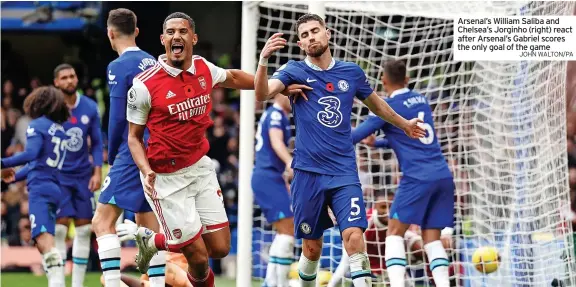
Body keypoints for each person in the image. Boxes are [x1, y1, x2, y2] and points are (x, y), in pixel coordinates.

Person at [254, 13, 426, 287]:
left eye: (315, 31)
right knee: (311, 248)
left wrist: (404, 124)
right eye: (305, 35)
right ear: (300, 43)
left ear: (327, 33)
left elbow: (376, 104)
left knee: (354, 237)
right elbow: (262, 93)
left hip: (344, 172)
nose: (311, 37)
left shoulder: (351, 72)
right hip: (307, 173)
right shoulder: (293, 70)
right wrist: (263, 60)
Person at [123, 12, 281, 286]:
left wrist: (275, 87)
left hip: (199, 168)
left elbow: (231, 76)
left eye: (183, 31)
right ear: (162, 40)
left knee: (219, 248)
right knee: (197, 257)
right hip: (165, 179)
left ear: (193, 38)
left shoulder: (204, 68)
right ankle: (170, 245)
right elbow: (134, 139)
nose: (176, 36)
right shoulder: (144, 86)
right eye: (170, 32)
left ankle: (155, 240)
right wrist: (146, 170)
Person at [350, 60, 455, 287]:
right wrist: (377, 144)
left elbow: (353, 137)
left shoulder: (386, 107)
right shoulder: (422, 100)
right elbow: (411, 136)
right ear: (407, 79)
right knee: (432, 239)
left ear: (383, 80)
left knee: (394, 233)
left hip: (418, 178)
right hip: (443, 176)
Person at [91, 8, 166, 287]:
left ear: (110, 33)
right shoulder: (153, 63)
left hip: (132, 150)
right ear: (136, 31)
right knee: (148, 228)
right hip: (157, 150)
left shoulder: (118, 66)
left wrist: (112, 154)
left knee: (102, 222)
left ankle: (112, 284)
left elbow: (118, 116)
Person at [1, 86, 71, 287]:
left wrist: (3, 162)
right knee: (44, 241)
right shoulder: (60, 130)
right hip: (54, 188)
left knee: (43, 241)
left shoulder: (36, 125)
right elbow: (36, 164)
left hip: (40, 190)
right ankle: (55, 282)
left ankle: (57, 282)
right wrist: (13, 178)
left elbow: (30, 155)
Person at [327, 193, 454, 286]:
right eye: (383, 207)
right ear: (375, 207)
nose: (388, 211)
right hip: (367, 267)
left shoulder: (400, 218)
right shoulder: (362, 223)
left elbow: (413, 235)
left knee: (424, 248)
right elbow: (345, 263)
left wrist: (442, 239)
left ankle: (439, 282)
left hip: (391, 262)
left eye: (391, 206)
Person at [52, 63, 103, 287]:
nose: (69, 81)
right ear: (56, 82)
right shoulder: (50, 107)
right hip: (59, 176)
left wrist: (97, 171)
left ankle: (78, 284)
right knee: (59, 229)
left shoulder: (90, 107)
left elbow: (98, 142)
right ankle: (58, 283)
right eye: (64, 78)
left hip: (83, 176)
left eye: (72, 76)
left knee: (83, 231)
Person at [252, 94, 294, 287]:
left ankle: (270, 282)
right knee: (289, 229)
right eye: (289, 94)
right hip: (267, 176)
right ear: (278, 94)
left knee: (284, 230)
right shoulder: (276, 115)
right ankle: (280, 283)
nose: (292, 98)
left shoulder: (278, 115)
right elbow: (276, 141)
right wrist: (289, 162)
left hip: (272, 176)